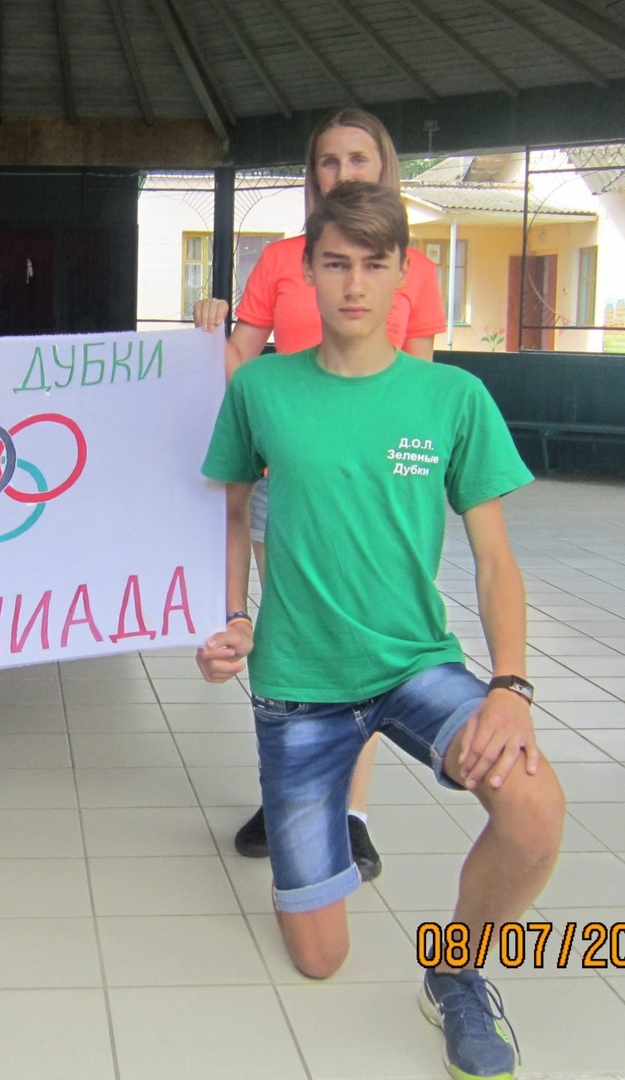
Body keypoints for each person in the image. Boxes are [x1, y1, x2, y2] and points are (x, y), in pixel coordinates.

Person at [198, 181, 564, 1080]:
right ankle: (320, 848)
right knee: (320, 957)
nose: (354, 284)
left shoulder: (452, 397)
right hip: (298, 690)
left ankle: (459, 969)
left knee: (535, 809)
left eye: (374, 263)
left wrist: (510, 689)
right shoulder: (264, 391)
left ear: (405, 272)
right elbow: (231, 510)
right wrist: (229, 619)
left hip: (415, 665)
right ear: (307, 273)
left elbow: (495, 563)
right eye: (336, 263)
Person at [195, 108, 447, 878]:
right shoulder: (279, 260)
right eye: (329, 162)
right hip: (286, 483)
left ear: (384, 167)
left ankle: (352, 813)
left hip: (372, 496)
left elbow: (419, 387)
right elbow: (238, 367)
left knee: (361, 648)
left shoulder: (417, 268)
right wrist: (210, 332)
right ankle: (292, 789)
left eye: (359, 159)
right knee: (294, 640)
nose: (343, 174)